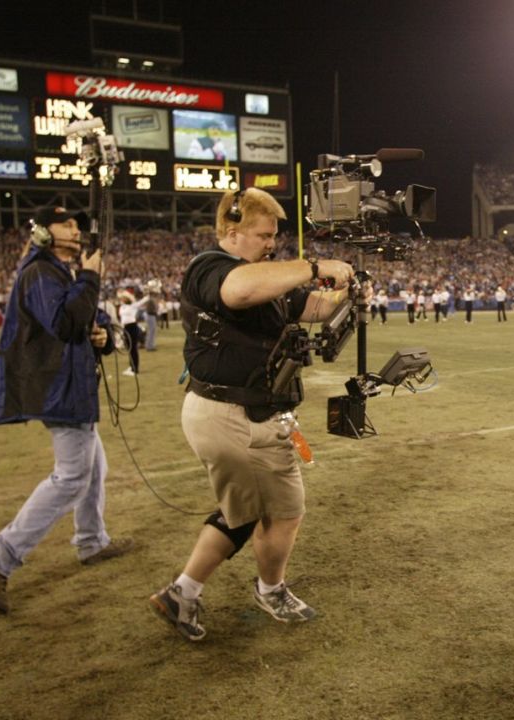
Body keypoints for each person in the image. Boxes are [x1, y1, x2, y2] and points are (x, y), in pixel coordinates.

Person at [148, 187, 368, 641]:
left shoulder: (261, 278)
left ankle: (186, 592)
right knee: (265, 512)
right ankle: (261, 590)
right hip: (231, 414)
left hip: (244, 413)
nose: (271, 243)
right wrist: (312, 267)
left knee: (259, 513)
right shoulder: (212, 267)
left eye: (274, 235)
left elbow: (311, 306)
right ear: (231, 230)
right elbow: (238, 291)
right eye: (263, 235)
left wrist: (348, 291)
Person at [0, 206, 133, 615]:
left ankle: (91, 542)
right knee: (72, 476)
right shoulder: (40, 273)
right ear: (43, 232)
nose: (76, 230)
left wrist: (101, 337)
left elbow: (82, 321)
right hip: (61, 389)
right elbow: (61, 323)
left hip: (72, 386)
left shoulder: (60, 274)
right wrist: (92, 276)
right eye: (67, 224)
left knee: (94, 468)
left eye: (77, 224)